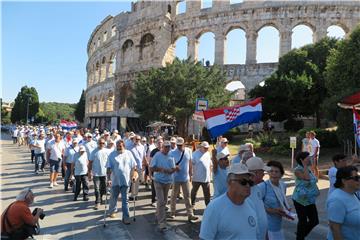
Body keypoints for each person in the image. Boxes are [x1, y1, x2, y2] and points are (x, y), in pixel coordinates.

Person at [199, 163, 257, 239]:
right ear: (230, 182)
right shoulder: (214, 208)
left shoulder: (250, 204)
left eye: (250, 182)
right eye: (243, 182)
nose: (248, 185)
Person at [259, 161, 292, 240]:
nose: (273, 173)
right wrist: (272, 210)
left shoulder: (283, 185)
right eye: (271, 171)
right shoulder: (263, 187)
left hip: (278, 224)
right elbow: (257, 207)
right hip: (267, 226)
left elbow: (282, 202)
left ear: (281, 174)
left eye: (276, 171)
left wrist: (286, 211)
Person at [106, 140, 137, 224]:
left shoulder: (128, 153)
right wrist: (108, 179)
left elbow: (134, 166)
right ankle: (112, 211)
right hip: (115, 180)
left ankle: (126, 217)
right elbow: (108, 168)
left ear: (124, 146)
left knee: (125, 200)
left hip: (126, 181)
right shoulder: (112, 155)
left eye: (120, 146)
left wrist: (134, 175)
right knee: (113, 198)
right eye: (118, 146)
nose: (119, 147)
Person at [169, 137, 198, 222]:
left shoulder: (188, 151)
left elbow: (190, 163)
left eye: (180, 145)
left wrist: (191, 174)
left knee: (187, 196)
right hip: (175, 178)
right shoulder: (172, 152)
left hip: (185, 178)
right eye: (178, 145)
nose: (179, 147)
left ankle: (190, 214)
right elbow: (169, 163)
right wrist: (174, 167)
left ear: (184, 144)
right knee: (174, 196)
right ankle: (172, 212)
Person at [326, 166, 360, 240]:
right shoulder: (337, 200)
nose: (359, 180)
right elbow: (335, 229)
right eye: (356, 178)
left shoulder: (353, 193)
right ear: (344, 181)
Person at [292, 151, 319, 240]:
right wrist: (304, 166)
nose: (310, 159)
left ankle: (300, 234)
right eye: (308, 158)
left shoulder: (308, 169)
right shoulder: (297, 170)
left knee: (314, 221)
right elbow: (307, 179)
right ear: (302, 160)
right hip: (300, 200)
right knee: (302, 221)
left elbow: (314, 179)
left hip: (309, 199)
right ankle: (300, 237)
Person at [150, 140, 176, 230]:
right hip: (158, 181)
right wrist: (161, 169)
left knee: (164, 201)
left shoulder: (171, 155)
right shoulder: (157, 155)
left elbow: (173, 168)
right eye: (166, 147)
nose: (167, 148)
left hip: (168, 181)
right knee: (161, 201)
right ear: (162, 147)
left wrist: (172, 170)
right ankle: (162, 222)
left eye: (169, 147)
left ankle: (158, 215)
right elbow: (151, 168)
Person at [246, 156, 270, 240]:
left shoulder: (257, 187)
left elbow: (261, 211)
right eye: (262, 171)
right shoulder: (244, 192)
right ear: (255, 173)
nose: (264, 174)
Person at [89, 138, 111, 210]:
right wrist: (89, 172)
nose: (101, 144)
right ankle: (97, 202)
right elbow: (90, 162)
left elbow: (111, 162)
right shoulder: (94, 152)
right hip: (96, 173)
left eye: (103, 143)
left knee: (103, 188)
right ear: (98, 143)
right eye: (100, 143)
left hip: (104, 173)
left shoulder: (108, 151)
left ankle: (100, 198)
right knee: (97, 188)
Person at [191, 141, 212, 208]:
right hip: (196, 178)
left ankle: (208, 206)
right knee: (194, 191)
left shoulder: (208, 153)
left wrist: (210, 176)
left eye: (207, 148)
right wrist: (190, 174)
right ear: (201, 147)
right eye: (205, 148)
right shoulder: (194, 154)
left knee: (207, 194)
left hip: (206, 178)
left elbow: (210, 165)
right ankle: (192, 204)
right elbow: (190, 165)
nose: (206, 149)